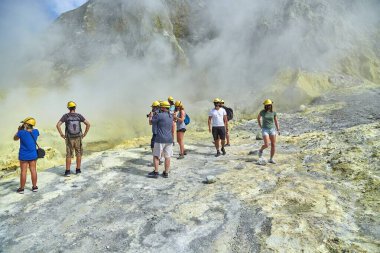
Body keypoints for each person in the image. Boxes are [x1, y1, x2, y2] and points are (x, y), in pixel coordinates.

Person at [56, 101, 90, 176]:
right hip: (78, 137)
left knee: (69, 154)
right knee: (78, 153)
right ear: (75, 108)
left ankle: (67, 171)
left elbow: (58, 125)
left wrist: (61, 134)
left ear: (68, 108)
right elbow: (88, 124)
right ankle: (78, 170)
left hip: (69, 138)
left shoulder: (66, 116)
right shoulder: (79, 116)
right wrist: (84, 134)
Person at [148, 101, 175, 178]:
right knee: (167, 156)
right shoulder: (171, 116)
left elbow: (150, 123)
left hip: (160, 138)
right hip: (169, 139)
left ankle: (156, 172)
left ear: (162, 107)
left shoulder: (159, 115)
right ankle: (166, 173)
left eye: (160, 106)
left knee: (156, 156)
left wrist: (150, 116)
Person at [13, 117, 39, 194]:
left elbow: (15, 138)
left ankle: (21, 189)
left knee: (23, 171)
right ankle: (34, 187)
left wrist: (19, 130)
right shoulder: (36, 131)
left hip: (24, 155)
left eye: (24, 123)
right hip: (33, 155)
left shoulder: (21, 132)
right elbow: (32, 133)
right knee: (33, 170)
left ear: (27, 124)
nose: (23, 124)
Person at [257, 99, 280, 164]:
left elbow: (276, 121)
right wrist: (260, 126)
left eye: (269, 105)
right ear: (265, 106)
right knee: (267, 144)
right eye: (267, 105)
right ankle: (261, 150)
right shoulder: (262, 112)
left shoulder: (273, 112)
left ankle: (271, 159)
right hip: (265, 129)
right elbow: (258, 118)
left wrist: (278, 129)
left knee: (273, 144)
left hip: (272, 129)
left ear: (271, 105)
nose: (268, 106)